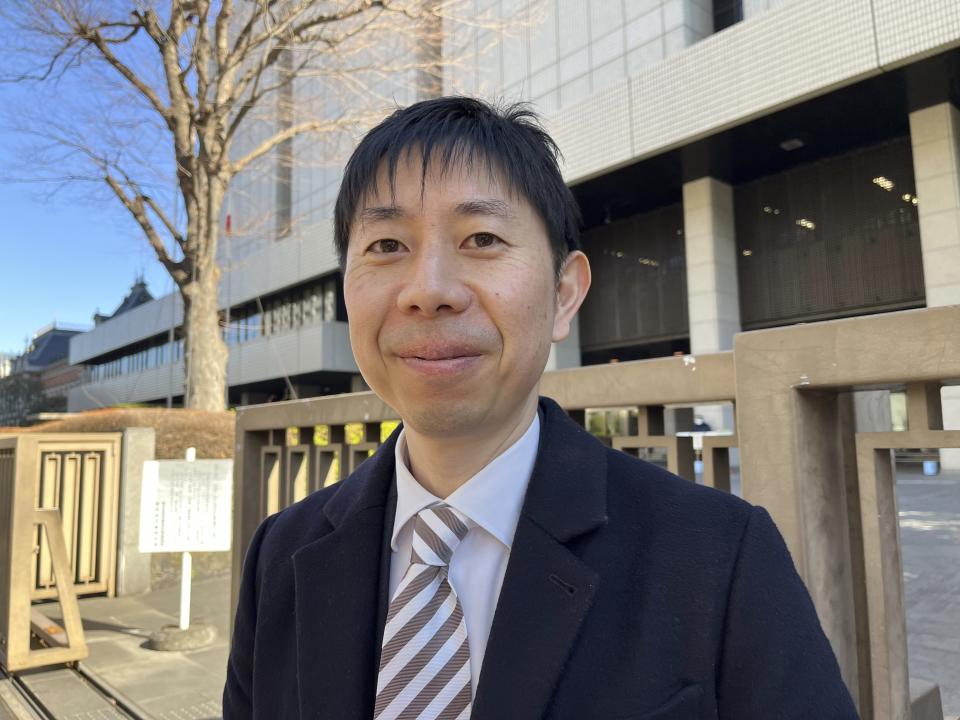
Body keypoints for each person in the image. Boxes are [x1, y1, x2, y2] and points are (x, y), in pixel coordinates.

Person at [223, 97, 858, 720]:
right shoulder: (281, 554)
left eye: (481, 237)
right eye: (387, 246)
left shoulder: (721, 557)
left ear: (563, 293)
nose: (429, 291)